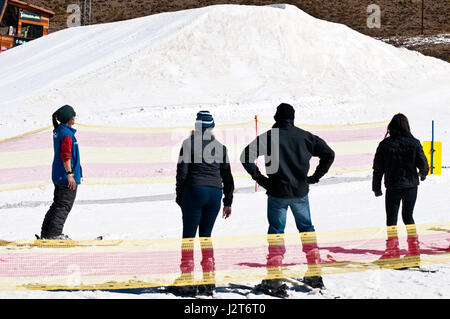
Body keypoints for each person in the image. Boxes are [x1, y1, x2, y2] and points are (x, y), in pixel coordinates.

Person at [240, 103, 335, 293]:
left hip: (277, 192)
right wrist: (314, 178)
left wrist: (261, 180)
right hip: (300, 191)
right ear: (293, 118)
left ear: (276, 118)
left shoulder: (269, 137)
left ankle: (274, 279)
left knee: (276, 231)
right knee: (307, 229)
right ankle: (315, 272)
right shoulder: (305, 136)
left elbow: (245, 156)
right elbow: (329, 154)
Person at [171, 111, 235, 297]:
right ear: (212, 127)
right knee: (206, 236)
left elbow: (182, 173)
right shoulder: (221, 147)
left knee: (189, 237)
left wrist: (180, 196)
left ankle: (187, 280)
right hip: (215, 194)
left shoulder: (188, 144)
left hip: (195, 191)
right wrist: (228, 201)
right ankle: (209, 280)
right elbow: (227, 177)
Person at [372, 113, 429, 268]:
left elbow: (378, 169)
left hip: (393, 186)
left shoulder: (384, 145)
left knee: (391, 220)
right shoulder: (414, 143)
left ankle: (392, 252)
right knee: (408, 216)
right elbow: (424, 164)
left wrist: (376, 188)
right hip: (411, 186)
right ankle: (414, 251)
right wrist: (422, 175)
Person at [40, 105, 82, 240]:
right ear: (69, 118)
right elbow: (66, 156)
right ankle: (54, 234)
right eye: (73, 115)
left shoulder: (60, 130)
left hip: (58, 175)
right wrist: (70, 175)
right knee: (63, 206)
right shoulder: (66, 134)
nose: (75, 118)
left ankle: (47, 232)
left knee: (57, 204)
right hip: (65, 177)